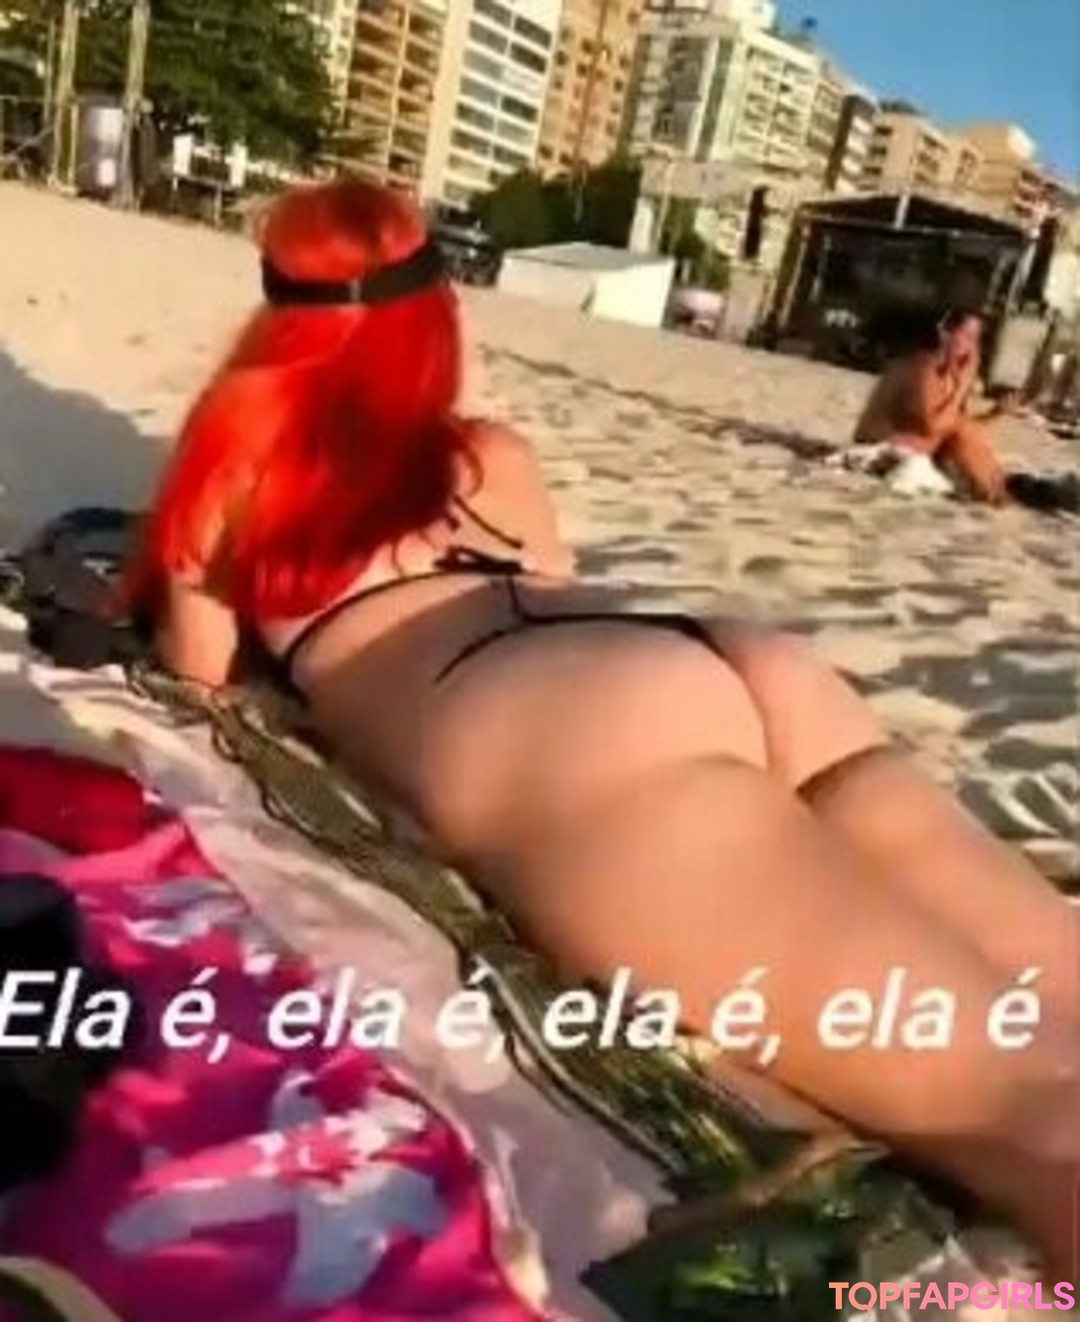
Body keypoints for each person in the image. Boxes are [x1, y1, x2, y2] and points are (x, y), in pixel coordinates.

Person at [125, 181, 1078, 1283]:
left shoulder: (239, 469)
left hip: (560, 724)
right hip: (722, 659)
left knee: (1026, 1109)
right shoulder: (491, 454)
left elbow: (200, 668)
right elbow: (540, 581)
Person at [854, 308, 1012, 504]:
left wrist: (994, 414)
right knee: (964, 437)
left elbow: (951, 423)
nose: (969, 346)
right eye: (965, 335)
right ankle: (991, 490)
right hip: (878, 448)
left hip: (912, 452)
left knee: (968, 436)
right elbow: (933, 426)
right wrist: (963, 385)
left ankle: (995, 487)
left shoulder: (948, 374)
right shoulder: (923, 366)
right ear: (944, 332)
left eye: (974, 340)